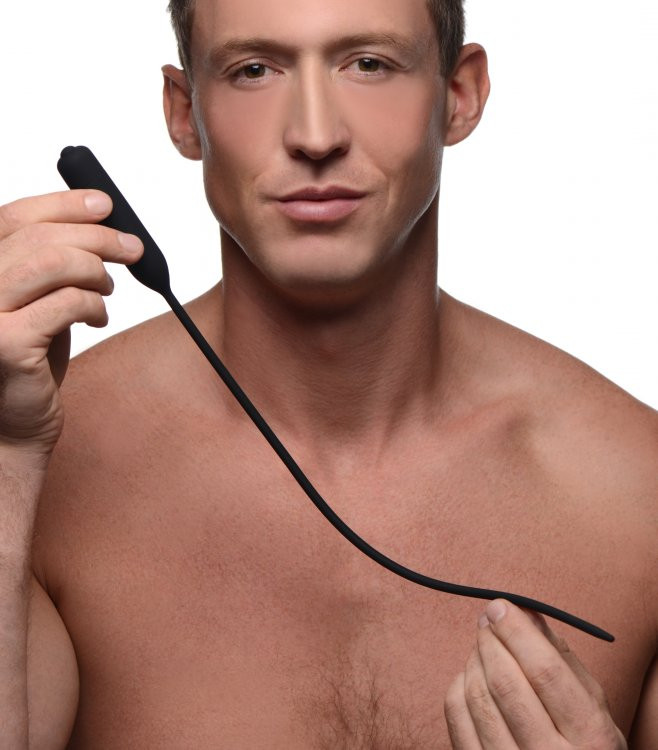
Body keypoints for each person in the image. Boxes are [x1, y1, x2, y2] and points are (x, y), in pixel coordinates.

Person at [0, 0, 655, 746]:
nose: (315, 136)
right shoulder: (34, 475)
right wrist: (6, 460)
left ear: (459, 94)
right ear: (185, 113)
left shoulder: (638, 493)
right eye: (254, 70)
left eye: (368, 64)